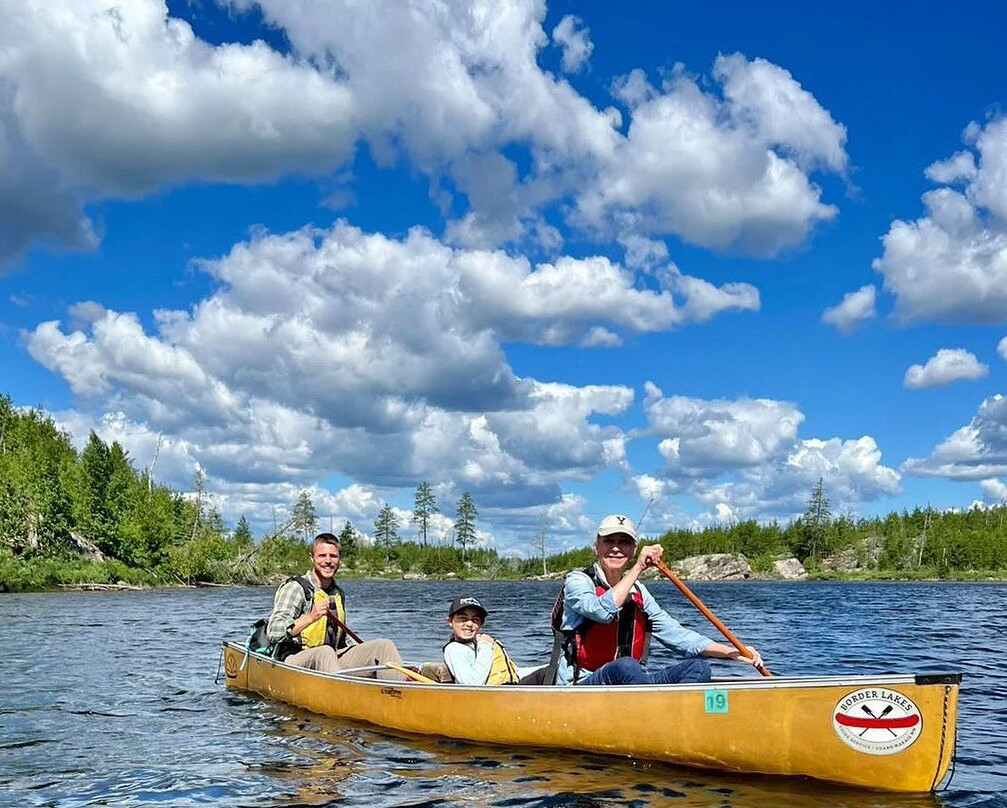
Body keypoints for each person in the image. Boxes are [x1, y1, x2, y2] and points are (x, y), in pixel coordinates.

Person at [554, 514, 764, 686]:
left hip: (632, 686)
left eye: (624, 542)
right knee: (626, 667)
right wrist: (638, 567)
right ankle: (653, 718)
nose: (616, 548)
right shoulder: (578, 581)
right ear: (596, 547)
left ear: (633, 549)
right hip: (583, 685)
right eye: (609, 541)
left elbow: (677, 635)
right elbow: (602, 611)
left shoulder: (639, 593)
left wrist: (729, 651)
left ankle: (679, 723)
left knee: (698, 667)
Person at [266, 532, 405, 680]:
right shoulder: (295, 588)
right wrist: (310, 617)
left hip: (331, 659)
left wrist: (363, 651)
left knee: (383, 646)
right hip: (294, 660)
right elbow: (274, 632)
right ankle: (339, 697)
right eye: (322, 556)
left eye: (333, 556)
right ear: (312, 558)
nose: (328, 561)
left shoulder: (337, 593)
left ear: (339, 559)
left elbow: (343, 639)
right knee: (324, 652)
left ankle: (399, 693)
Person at [442, 596, 520, 685]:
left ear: (481, 624)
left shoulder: (478, 645)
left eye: (476, 619)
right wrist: (485, 646)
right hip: (490, 695)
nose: (469, 624)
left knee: (539, 674)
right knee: (540, 675)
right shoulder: (454, 649)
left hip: (507, 689)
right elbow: (472, 683)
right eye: (463, 618)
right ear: (450, 621)